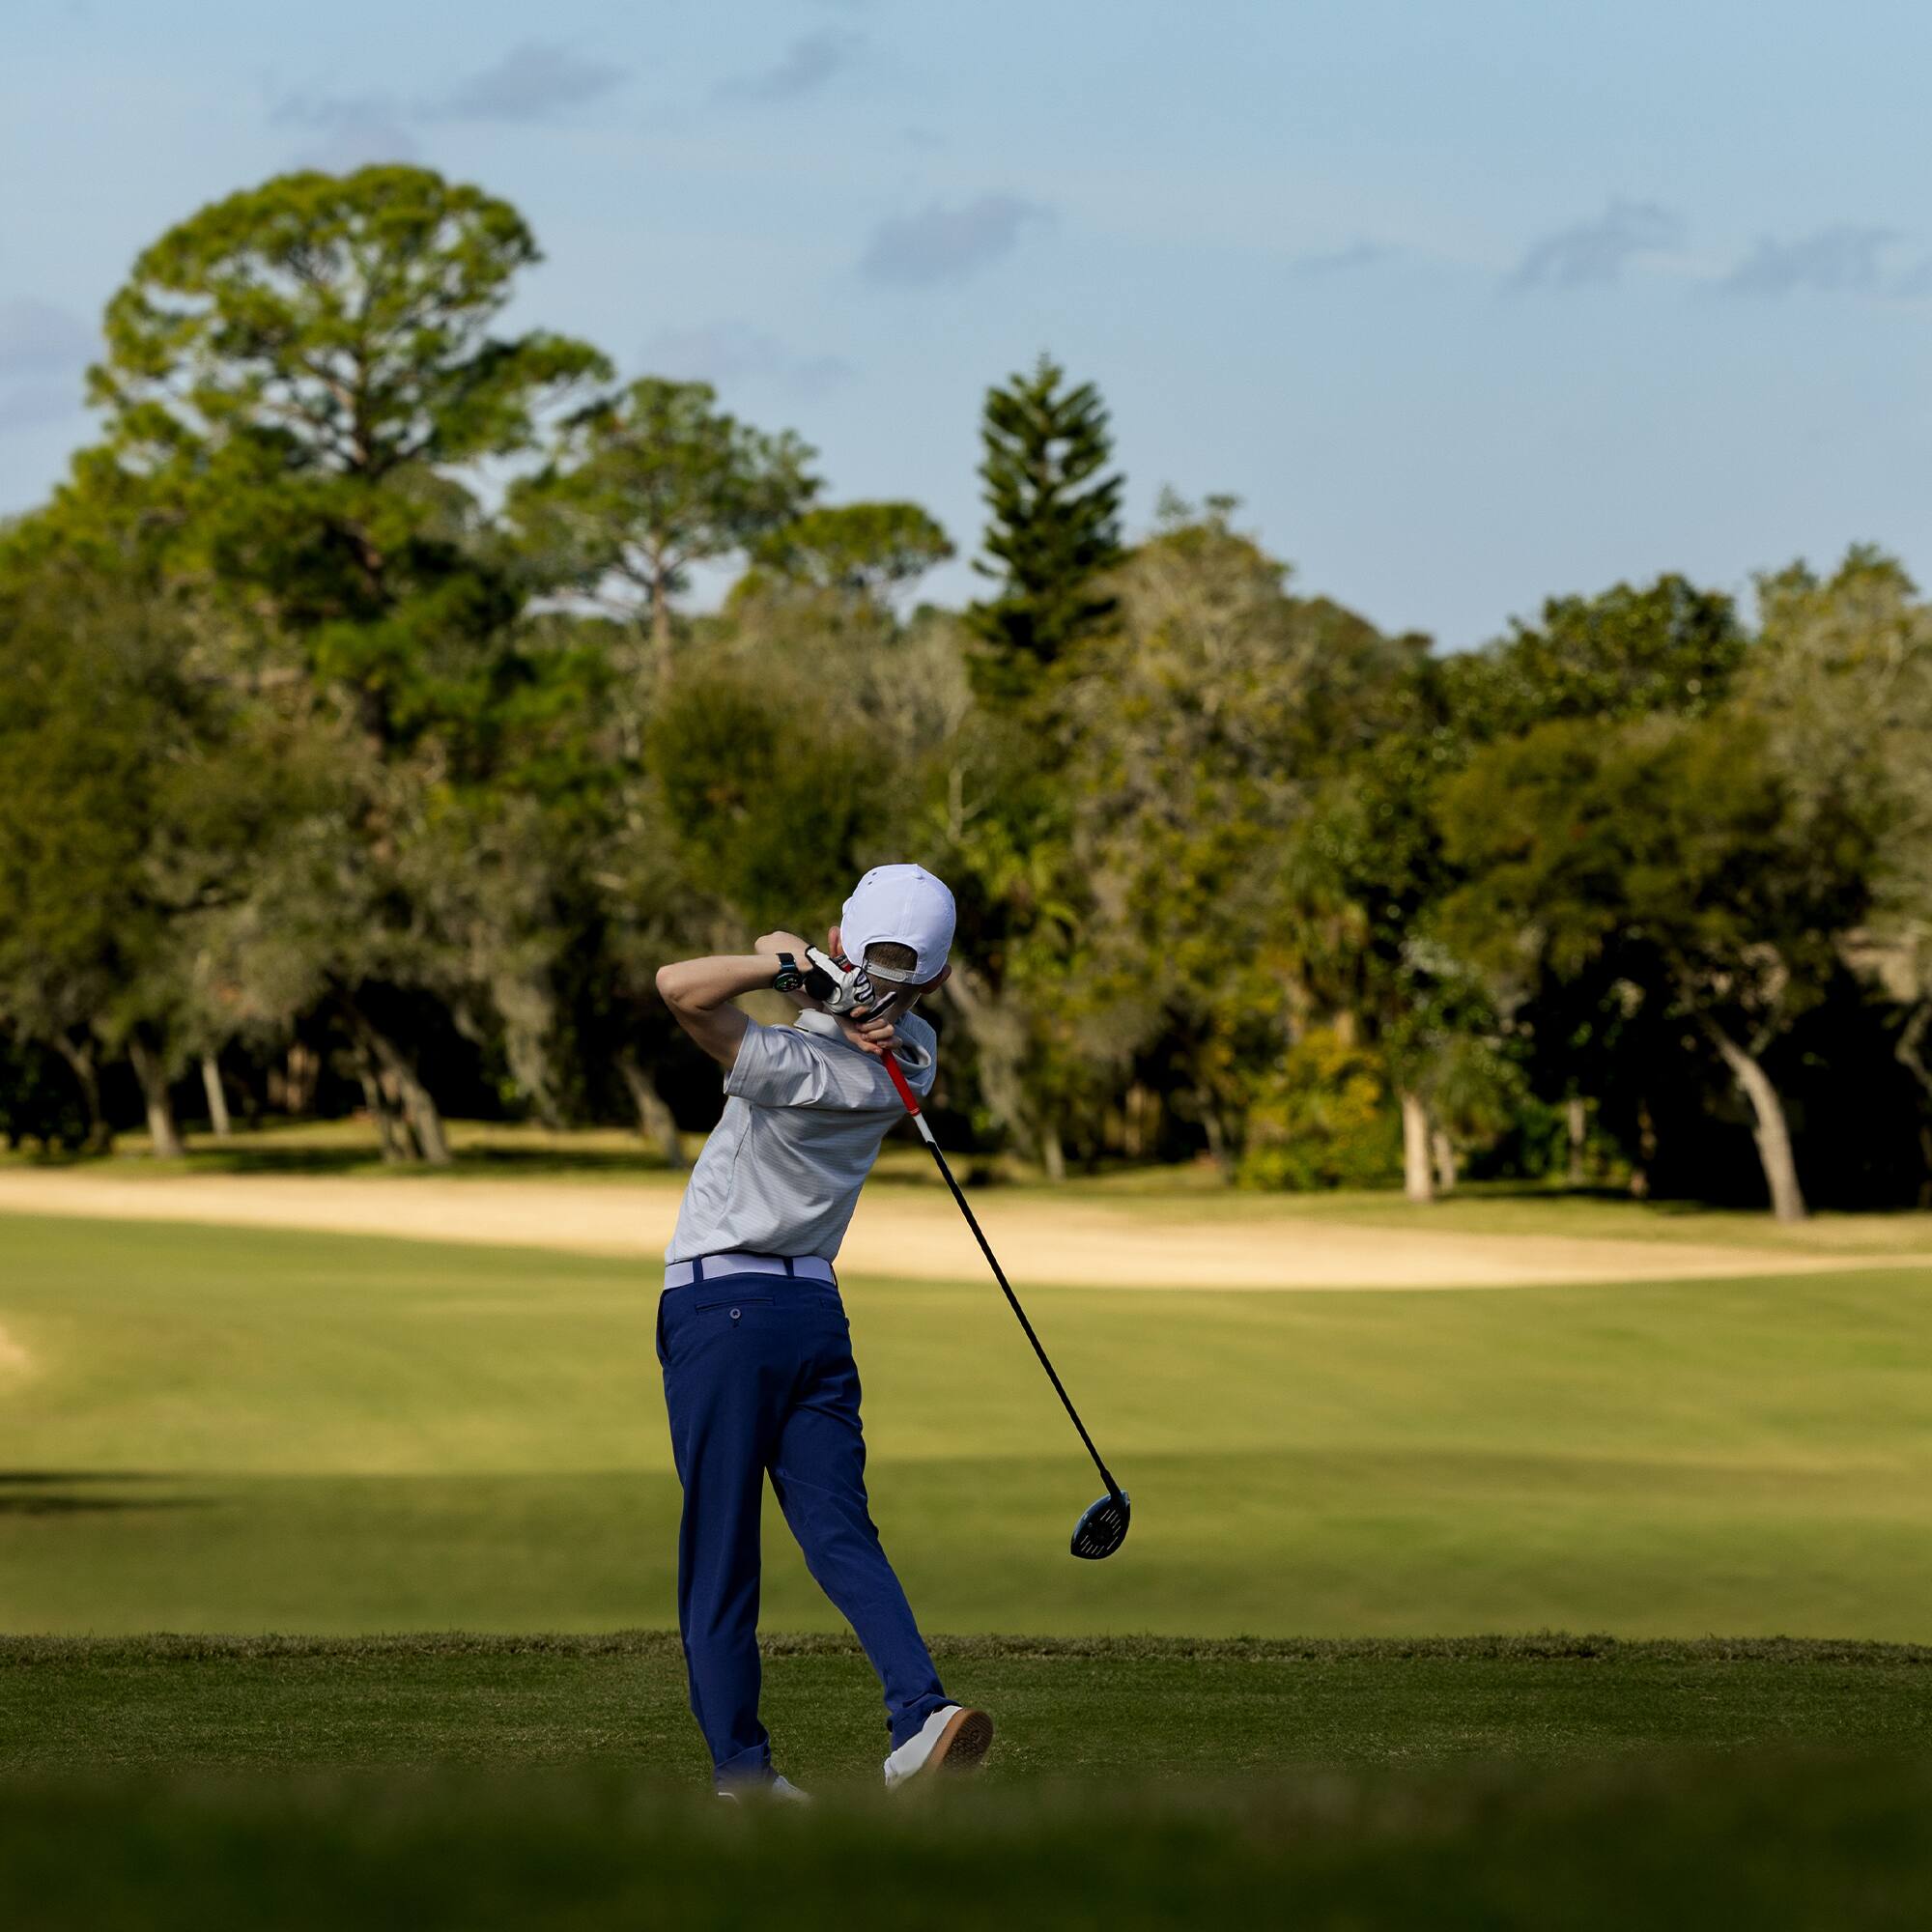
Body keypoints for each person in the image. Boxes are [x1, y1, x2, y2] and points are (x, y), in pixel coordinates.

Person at [652, 862, 993, 1800]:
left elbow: (677, 985)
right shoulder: (910, 1055)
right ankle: (918, 1712)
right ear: (933, 979)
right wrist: (819, 979)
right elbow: (779, 941)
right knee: (842, 1529)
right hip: (813, 1315)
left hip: (720, 1308)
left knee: (719, 1550)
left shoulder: (792, 1060)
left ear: (846, 941)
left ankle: (743, 1777)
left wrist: (797, 970)